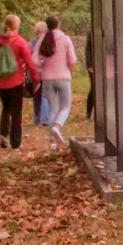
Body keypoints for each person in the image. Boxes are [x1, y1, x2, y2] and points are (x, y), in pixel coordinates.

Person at [0, 14, 40, 150]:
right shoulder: (20, 42)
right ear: (16, 26)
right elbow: (30, 63)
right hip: (16, 82)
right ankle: (15, 142)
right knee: (16, 113)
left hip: (1, 82)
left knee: (6, 108)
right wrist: (36, 79)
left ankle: (3, 135)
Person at [34, 15, 78, 151]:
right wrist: (67, 64)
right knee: (65, 106)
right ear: (58, 25)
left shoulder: (42, 40)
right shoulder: (65, 39)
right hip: (63, 77)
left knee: (53, 108)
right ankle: (57, 126)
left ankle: (52, 142)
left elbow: (34, 60)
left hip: (47, 79)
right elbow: (73, 60)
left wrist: (43, 65)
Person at [28, 20, 49, 126]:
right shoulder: (42, 44)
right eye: (39, 32)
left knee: (40, 95)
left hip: (37, 73)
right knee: (40, 95)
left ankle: (39, 117)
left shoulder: (31, 44)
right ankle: (40, 117)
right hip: (39, 73)